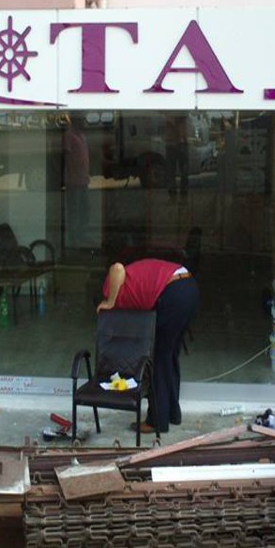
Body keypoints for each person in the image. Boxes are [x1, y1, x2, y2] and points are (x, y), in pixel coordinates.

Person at [96, 258, 199, 434]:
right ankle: (172, 413)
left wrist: (110, 301)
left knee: (157, 358)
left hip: (173, 291)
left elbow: (118, 268)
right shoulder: (132, 292)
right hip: (188, 287)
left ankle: (156, 421)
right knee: (169, 355)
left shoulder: (110, 287)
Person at [61, 115, 90, 246]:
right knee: (74, 211)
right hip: (73, 181)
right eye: (81, 118)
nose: (84, 121)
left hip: (83, 180)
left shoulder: (82, 136)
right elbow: (66, 157)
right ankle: (74, 238)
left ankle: (82, 234)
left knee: (85, 209)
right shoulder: (69, 135)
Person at [165, 115, 190, 199]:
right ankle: (173, 194)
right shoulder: (170, 113)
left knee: (183, 171)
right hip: (172, 142)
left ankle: (182, 194)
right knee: (172, 171)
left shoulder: (181, 114)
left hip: (179, 142)